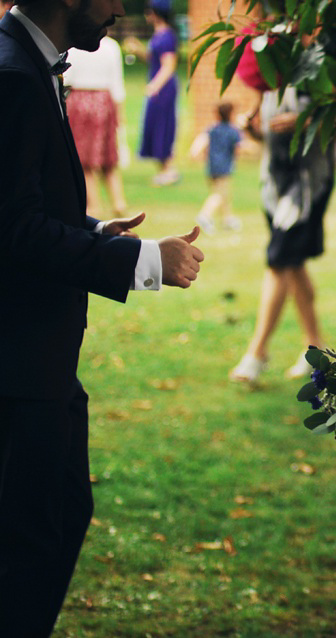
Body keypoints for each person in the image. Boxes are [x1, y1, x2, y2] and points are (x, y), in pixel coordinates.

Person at [0, 1, 205, 634]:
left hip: (43, 363)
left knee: (62, 511)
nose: (122, 8)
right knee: (28, 551)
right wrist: (139, 259)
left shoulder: (30, 65)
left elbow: (24, 202)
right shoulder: (13, 77)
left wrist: (96, 234)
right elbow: (12, 230)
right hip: (18, 366)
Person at [228, 88, 334, 383]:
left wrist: (306, 122)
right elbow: (269, 133)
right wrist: (254, 129)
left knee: (279, 259)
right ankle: (316, 347)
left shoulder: (320, 67)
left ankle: (257, 352)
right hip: (274, 182)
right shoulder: (269, 75)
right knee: (293, 262)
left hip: (308, 181)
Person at [62, 33, 127, 218]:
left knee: (84, 159)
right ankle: (118, 201)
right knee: (109, 156)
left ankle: (94, 205)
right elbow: (117, 83)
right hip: (105, 101)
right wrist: (119, 113)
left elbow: (67, 78)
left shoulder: (73, 48)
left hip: (80, 101)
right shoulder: (112, 46)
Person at [127, 0, 179, 186]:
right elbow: (153, 59)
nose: (147, 15)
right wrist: (139, 50)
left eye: (149, 11)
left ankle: (169, 170)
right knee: (155, 125)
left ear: (156, 13)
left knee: (163, 126)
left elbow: (169, 65)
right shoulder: (159, 34)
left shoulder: (166, 36)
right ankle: (163, 170)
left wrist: (154, 86)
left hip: (163, 89)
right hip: (158, 87)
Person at [190, 100, 246, 233]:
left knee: (224, 194)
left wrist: (195, 153)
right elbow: (240, 148)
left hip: (211, 167)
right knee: (219, 195)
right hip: (224, 167)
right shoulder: (233, 131)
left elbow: (201, 142)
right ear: (231, 114)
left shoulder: (212, 129)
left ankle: (228, 220)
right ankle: (205, 215)